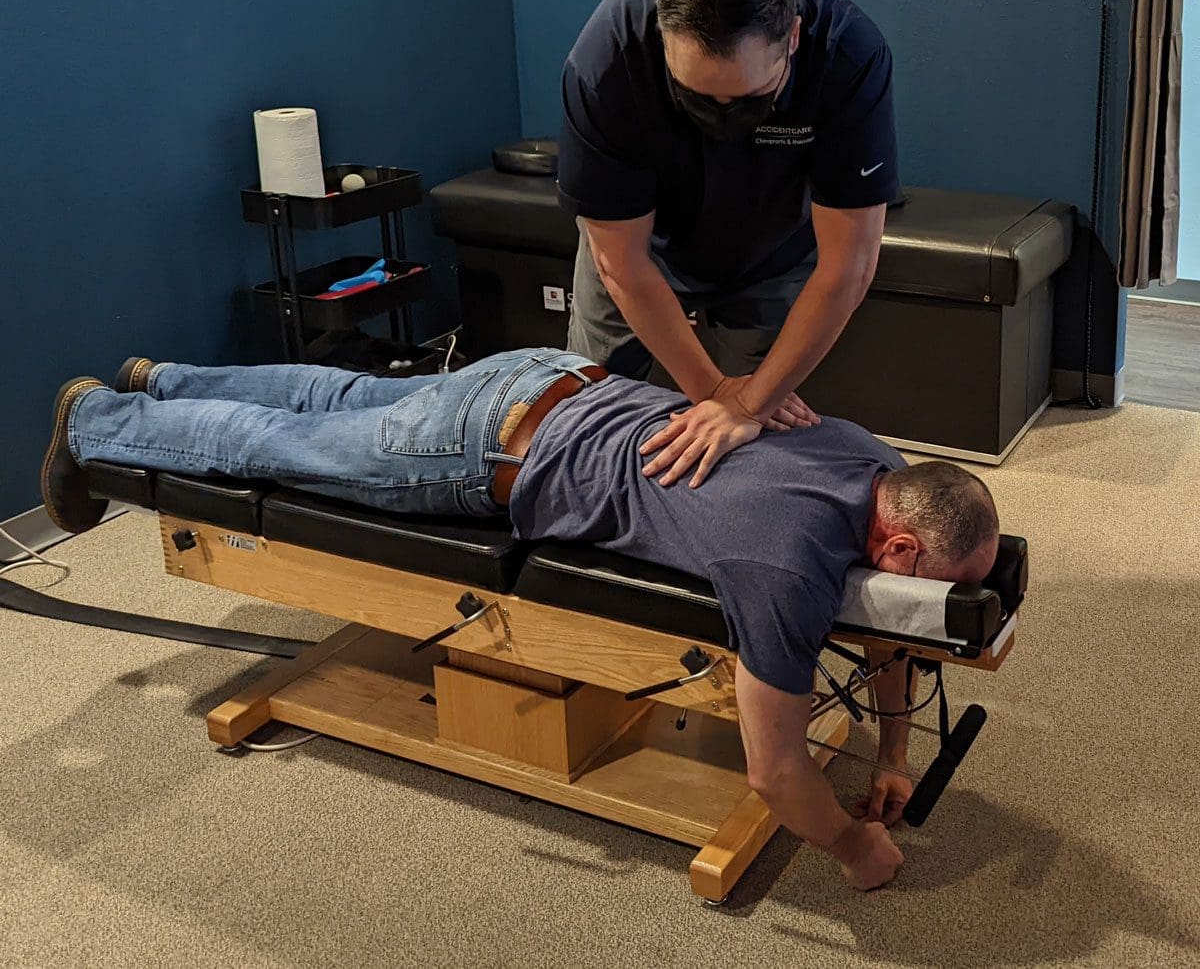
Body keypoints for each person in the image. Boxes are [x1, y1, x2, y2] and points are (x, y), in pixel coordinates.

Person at [43, 348, 999, 892]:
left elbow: (888, 629)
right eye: (933, 585)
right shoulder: (786, 564)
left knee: (341, 395)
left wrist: (890, 753)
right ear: (904, 550)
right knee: (281, 449)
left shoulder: (867, 453)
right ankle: (94, 425)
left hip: (559, 377)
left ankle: (162, 377)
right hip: (476, 459)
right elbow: (775, 773)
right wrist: (848, 844)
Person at [559, 0, 899, 485]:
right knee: (591, 417)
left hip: (772, 254)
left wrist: (745, 404)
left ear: (791, 38)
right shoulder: (609, 57)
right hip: (637, 255)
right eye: (696, 96)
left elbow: (848, 268)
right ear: (662, 42)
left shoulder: (846, 54)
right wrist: (713, 393)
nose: (720, 117)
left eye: (746, 98)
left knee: (762, 445)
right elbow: (621, 262)